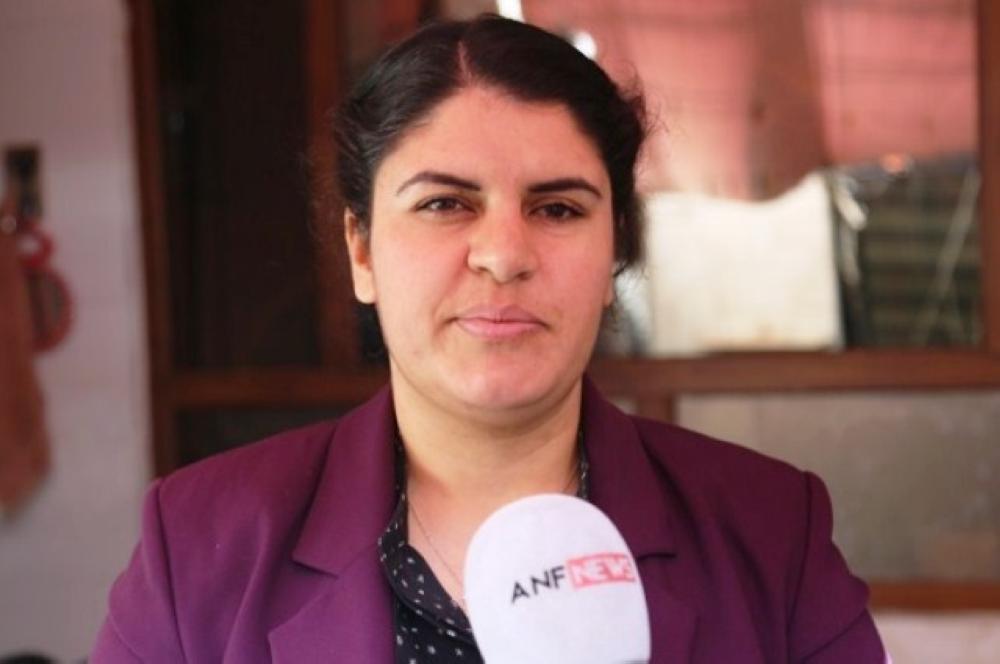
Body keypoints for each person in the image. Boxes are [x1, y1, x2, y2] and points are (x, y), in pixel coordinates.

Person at [92, 14, 886, 663]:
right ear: (361, 250)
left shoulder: (769, 532)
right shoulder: (199, 545)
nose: (504, 255)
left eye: (558, 208)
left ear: (613, 254)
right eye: (445, 204)